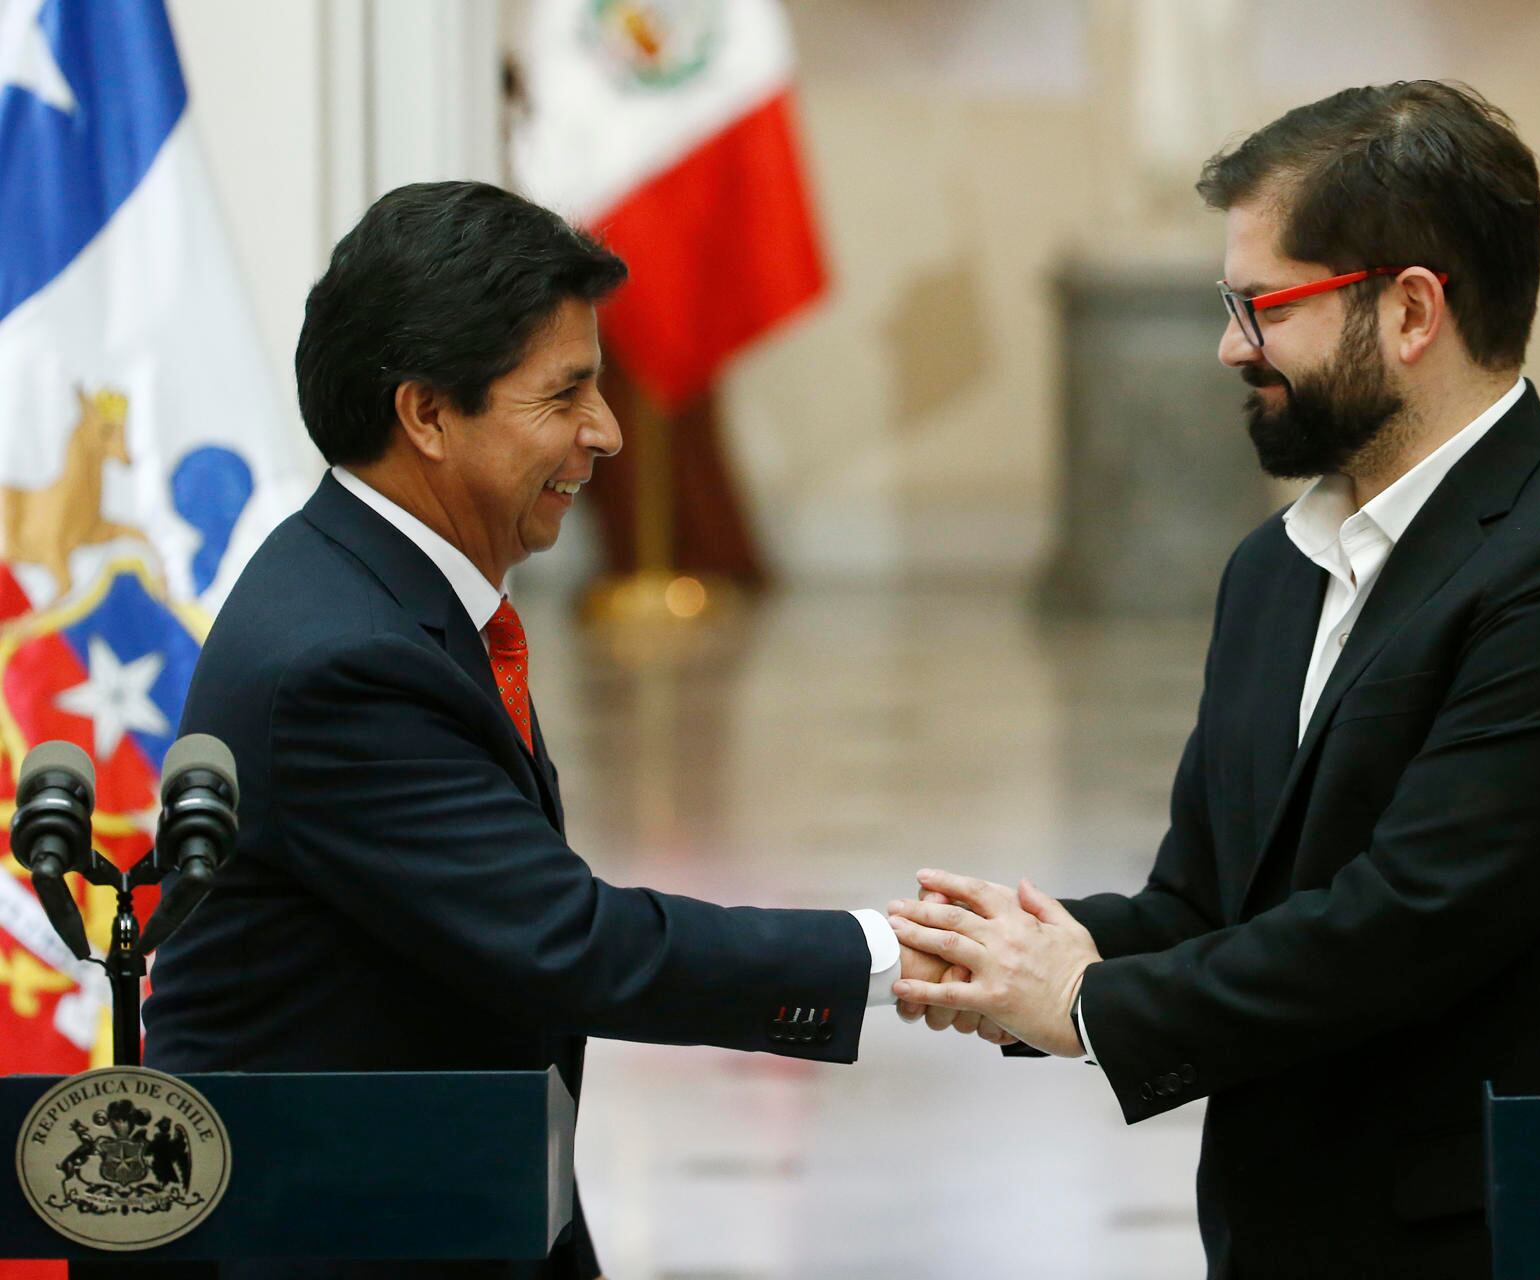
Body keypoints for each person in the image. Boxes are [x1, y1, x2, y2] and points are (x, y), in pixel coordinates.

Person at [889, 81, 1540, 1279]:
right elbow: (1213, 903)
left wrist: (1084, 1004)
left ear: (1412, 311)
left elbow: (1406, 921)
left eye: (1261, 304)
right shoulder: (1274, 569)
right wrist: (1002, 951)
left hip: (1507, 1234)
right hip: (1293, 1231)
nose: (1231, 344)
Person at [142, 181, 942, 1280]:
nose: (605, 433)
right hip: (341, 1230)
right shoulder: (344, 658)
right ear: (425, 413)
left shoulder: (383, 589)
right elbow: (572, 943)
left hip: (450, 1188)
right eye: (565, 394)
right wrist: (902, 952)